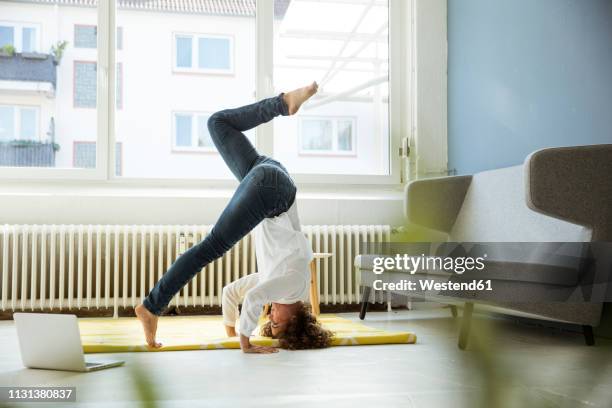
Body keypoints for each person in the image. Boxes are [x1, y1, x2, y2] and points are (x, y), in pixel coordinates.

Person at [135, 82, 332, 353]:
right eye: (277, 323)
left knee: (218, 123)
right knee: (212, 247)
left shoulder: (276, 282)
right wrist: (245, 342)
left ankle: (283, 104)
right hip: (272, 191)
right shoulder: (295, 286)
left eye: (269, 322)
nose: (271, 316)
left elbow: (233, 291)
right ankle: (151, 306)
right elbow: (253, 298)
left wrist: (229, 327)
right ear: (296, 319)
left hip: (268, 174)